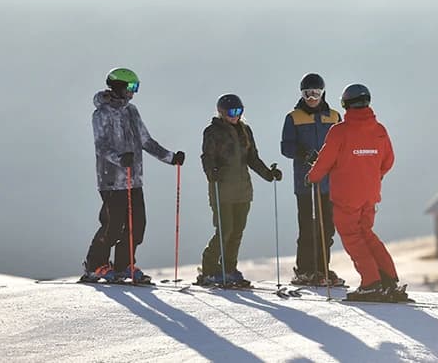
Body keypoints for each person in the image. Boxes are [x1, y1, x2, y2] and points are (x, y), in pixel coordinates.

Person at [306, 84, 408, 302]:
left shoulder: (340, 131)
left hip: (347, 195)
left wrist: (312, 177)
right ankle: (388, 280)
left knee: (353, 236)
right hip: (370, 193)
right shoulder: (379, 130)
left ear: (345, 104)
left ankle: (371, 283)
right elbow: (388, 161)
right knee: (367, 233)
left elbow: (325, 161)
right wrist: (372, 175)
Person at [82, 67, 185, 283]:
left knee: (137, 226)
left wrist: (171, 157)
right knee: (112, 225)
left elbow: (145, 141)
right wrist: (120, 159)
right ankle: (95, 265)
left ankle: (123, 266)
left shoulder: (131, 111)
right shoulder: (101, 114)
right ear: (118, 86)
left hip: (134, 179)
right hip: (111, 181)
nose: (133, 92)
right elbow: (101, 146)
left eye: (135, 87)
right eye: (131, 87)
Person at [198, 94, 282, 287]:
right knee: (224, 230)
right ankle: (209, 269)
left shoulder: (245, 130)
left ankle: (228, 268)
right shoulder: (212, 131)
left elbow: (252, 158)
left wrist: (269, 174)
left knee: (237, 231)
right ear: (221, 112)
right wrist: (211, 172)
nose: (235, 116)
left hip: (243, 189)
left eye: (238, 111)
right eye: (231, 112)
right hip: (222, 189)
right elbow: (206, 156)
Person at [280, 73, 345, 286]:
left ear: (323, 93)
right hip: (305, 182)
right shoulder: (294, 117)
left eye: (315, 93)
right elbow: (286, 147)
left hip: (330, 182)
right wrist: (303, 153)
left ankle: (322, 268)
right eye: (307, 93)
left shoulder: (334, 117)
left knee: (327, 227)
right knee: (308, 226)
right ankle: (305, 270)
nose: (311, 98)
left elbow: (342, 144)